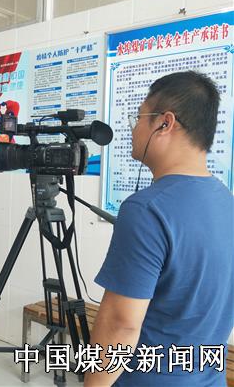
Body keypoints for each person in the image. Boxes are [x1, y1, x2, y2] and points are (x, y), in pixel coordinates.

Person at [85, 71, 234, 386]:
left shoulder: (147, 209)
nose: (134, 129)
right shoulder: (227, 201)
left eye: (139, 118)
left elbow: (121, 324)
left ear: (165, 123)